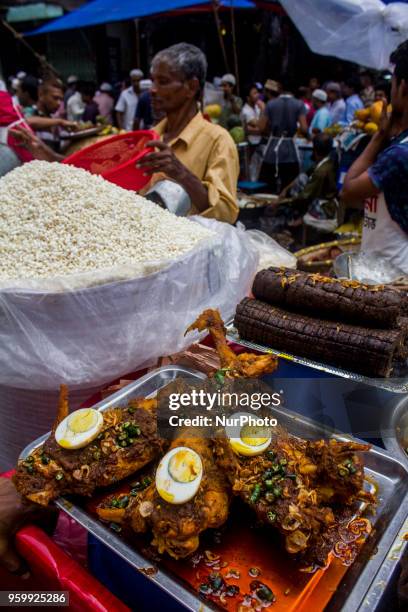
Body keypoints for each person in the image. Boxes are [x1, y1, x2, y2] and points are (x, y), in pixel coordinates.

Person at [137, 43, 239, 224]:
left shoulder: (217, 140)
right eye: (152, 81)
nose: (152, 89)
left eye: (163, 81)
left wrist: (181, 174)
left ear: (191, 87)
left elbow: (225, 215)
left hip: (193, 250)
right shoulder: (148, 138)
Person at [341, 40, 408, 274]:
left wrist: (379, 135)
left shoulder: (399, 155)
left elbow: (348, 191)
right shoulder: (399, 146)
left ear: (403, 88)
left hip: (394, 276)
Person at [264, 133, 337, 231]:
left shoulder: (321, 172)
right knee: (302, 178)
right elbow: (305, 175)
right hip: (320, 200)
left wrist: (281, 203)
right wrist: (285, 190)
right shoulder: (325, 162)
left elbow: (305, 196)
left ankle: (298, 220)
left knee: (294, 203)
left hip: (324, 208)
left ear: (314, 149)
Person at [257, 79, 308, 192]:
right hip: (290, 151)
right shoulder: (299, 104)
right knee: (289, 188)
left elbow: (261, 127)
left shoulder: (271, 104)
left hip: (272, 150)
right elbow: (304, 128)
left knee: (267, 187)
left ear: (280, 88)